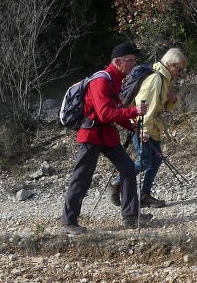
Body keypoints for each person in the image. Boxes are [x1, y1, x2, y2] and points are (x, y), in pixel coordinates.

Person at [62, 43, 149, 233]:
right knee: (82, 178)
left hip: (105, 134)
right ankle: (69, 222)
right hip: (92, 134)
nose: (134, 65)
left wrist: (132, 126)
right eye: (131, 61)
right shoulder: (101, 81)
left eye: (134, 60)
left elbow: (115, 109)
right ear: (118, 62)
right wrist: (135, 111)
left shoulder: (115, 79)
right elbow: (104, 114)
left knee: (127, 168)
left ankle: (130, 216)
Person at [110, 48, 186, 208]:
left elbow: (162, 106)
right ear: (169, 64)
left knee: (156, 161)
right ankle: (118, 183)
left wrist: (173, 100)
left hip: (153, 126)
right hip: (143, 125)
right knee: (145, 162)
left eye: (182, 69)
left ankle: (145, 195)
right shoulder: (156, 79)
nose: (180, 72)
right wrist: (143, 130)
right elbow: (145, 107)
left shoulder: (165, 79)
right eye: (178, 69)